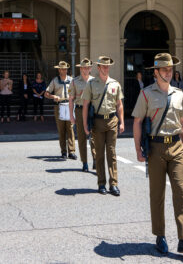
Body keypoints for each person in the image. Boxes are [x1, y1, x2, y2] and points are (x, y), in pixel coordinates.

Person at [133, 53, 183, 256]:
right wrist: (138, 150)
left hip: (176, 147)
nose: (169, 73)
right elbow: (137, 122)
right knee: (157, 194)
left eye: (170, 70)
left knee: (180, 192)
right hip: (155, 148)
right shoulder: (146, 94)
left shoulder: (179, 94)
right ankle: (160, 236)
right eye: (165, 70)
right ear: (156, 72)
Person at [82, 56, 125, 196]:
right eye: (103, 66)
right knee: (100, 154)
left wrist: (122, 122)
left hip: (112, 121)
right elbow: (86, 105)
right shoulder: (91, 84)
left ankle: (114, 184)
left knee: (111, 153)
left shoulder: (115, 84)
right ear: (98, 68)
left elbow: (119, 105)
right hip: (97, 122)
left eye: (107, 66)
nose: (106, 68)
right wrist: (84, 125)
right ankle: (101, 183)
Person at [45, 61, 77, 160]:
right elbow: (46, 93)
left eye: (65, 69)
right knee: (61, 129)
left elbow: (77, 92)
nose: (64, 70)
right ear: (59, 70)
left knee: (70, 129)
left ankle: (71, 151)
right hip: (59, 106)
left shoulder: (72, 80)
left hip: (70, 105)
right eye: (62, 69)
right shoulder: (55, 80)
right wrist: (53, 96)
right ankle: (63, 151)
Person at [69, 58, 96, 172]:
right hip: (79, 111)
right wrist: (71, 116)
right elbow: (71, 99)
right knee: (81, 137)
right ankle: (84, 162)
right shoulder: (75, 81)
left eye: (87, 67)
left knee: (94, 136)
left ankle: (95, 160)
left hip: (92, 110)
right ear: (80, 68)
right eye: (83, 67)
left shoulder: (95, 81)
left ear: (90, 69)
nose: (85, 69)